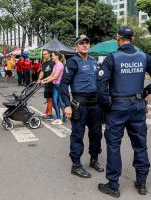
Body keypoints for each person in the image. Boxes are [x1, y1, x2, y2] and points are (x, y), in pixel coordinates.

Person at [97, 26, 151, 197]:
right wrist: (145, 92)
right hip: (137, 106)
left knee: (113, 145)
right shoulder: (144, 57)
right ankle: (141, 183)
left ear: (117, 38)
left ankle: (113, 186)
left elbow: (101, 86)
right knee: (140, 144)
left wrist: (107, 106)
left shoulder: (112, 58)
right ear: (133, 39)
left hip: (118, 107)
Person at [59, 35, 104, 179]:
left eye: (87, 42)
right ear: (76, 46)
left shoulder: (93, 61)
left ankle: (94, 159)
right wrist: (67, 105)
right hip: (80, 103)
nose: (85, 45)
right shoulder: (73, 62)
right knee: (78, 135)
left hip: (95, 104)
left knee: (96, 133)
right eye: (81, 43)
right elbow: (63, 85)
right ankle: (76, 165)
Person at [41, 51, 65, 125]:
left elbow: (55, 77)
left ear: (57, 56)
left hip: (59, 85)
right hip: (55, 85)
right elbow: (51, 75)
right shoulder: (55, 65)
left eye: (53, 56)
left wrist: (46, 82)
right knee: (55, 101)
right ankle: (58, 118)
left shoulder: (60, 65)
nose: (52, 57)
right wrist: (43, 79)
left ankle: (67, 113)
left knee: (60, 102)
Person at [38, 49, 55, 120]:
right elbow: (42, 72)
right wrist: (39, 79)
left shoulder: (53, 62)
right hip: (47, 83)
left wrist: (44, 80)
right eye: (43, 54)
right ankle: (49, 114)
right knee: (49, 100)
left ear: (49, 54)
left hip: (53, 83)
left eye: (45, 54)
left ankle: (50, 114)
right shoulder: (44, 63)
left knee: (53, 100)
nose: (44, 55)